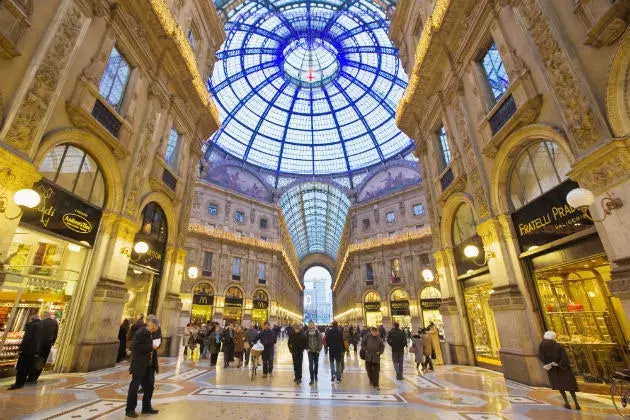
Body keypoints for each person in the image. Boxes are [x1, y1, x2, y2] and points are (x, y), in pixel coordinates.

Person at [125, 315, 160, 417]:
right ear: (152, 325)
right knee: (134, 387)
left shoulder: (153, 334)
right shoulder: (140, 333)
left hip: (149, 365)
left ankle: (146, 407)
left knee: (149, 387)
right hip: (139, 364)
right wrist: (151, 347)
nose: (157, 328)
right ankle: (130, 409)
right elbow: (136, 347)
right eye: (156, 326)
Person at [538, 331, 580, 410]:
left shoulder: (542, 346)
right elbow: (564, 357)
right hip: (563, 369)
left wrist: (548, 363)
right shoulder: (558, 346)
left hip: (552, 369)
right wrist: (560, 364)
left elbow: (541, 356)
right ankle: (576, 404)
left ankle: (567, 403)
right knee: (570, 386)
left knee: (560, 387)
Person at [9, 315, 42, 390]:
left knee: (21, 367)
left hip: (27, 350)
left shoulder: (30, 325)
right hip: (35, 351)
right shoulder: (42, 326)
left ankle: (18, 383)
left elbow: (27, 338)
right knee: (27, 367)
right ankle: (22, 383)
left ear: (31, 319)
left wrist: (21, 348)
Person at [28, 311, 59, 383]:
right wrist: (52, 343)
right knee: (43, 360)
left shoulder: (41, 322)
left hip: (39, 344)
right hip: (48, 345)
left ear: (43, 315)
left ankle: (31, 377)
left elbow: (37, 334)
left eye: (41, 315)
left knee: (36, 359)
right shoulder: (54, 323)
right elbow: (55, 334)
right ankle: (35, 377)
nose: (40, 317)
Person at [306, 321, 322, 385]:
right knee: (310, 365)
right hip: (310, 351)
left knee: (316, 365)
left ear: (313, 325)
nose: (310, 325)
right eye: (309, 324)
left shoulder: (317, 332)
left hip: (316, 351)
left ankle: (316, 375)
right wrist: (307, 348)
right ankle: (312, 379)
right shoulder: (306, 332)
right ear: (308, 325)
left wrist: (319, 349)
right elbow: (305, 341)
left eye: (311, 324)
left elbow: (320, 341)